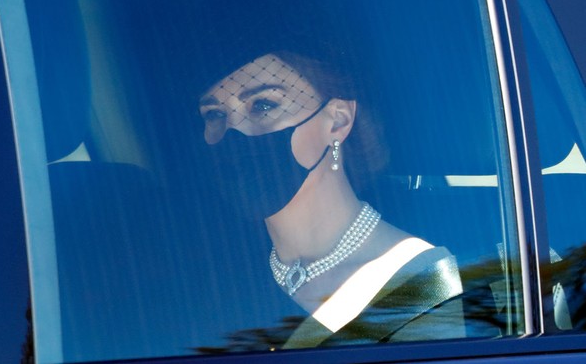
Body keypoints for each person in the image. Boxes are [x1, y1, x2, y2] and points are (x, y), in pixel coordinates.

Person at [198, 48, 466, 348]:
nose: (234, 132)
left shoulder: (417, 287)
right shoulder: (204, 276)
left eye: (262, 105)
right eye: (216, 114)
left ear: (337, 121)